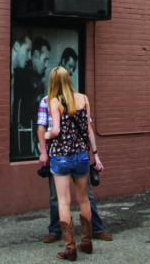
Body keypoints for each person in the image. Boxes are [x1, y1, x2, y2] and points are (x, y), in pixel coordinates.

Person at [44, 66, 103, 260]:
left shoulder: (54, 101)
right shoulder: (84, 99)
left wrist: (45, 134)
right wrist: (96, 155)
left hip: (61, 156)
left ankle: (70, 248)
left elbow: (56, 131)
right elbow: (89, 130)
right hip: (81, 156)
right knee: (84, 199)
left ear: (53, 82)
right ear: (69, 79)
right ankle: (86, 242)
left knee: (63, 201)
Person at [37, 91, 111, 244]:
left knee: (82, 196)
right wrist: (44, 151)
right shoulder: (47, 100)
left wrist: (95, 154)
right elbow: (41, 127)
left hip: (68, 155)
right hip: (60, 154)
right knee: (59, 197)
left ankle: (94, 230)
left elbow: (88, 126)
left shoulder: (78, 99)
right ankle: (55, 230)